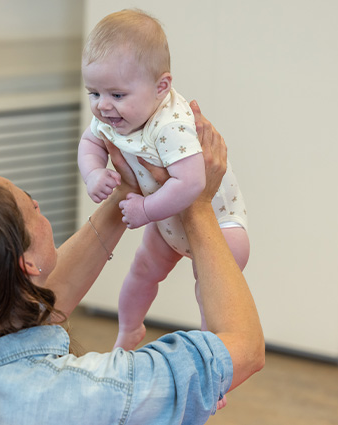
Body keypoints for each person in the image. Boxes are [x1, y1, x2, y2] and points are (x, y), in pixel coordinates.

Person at [0, 102, 264, 425]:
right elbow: (243, 348)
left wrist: (128, 191)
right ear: (27, 263)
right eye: (33, 206)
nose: (40, 210)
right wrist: (197, 203)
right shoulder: (92, 391)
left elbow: (42, 303)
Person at [78, 9, 250, 350]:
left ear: (161, 87)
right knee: (142, 271)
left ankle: (215, 358)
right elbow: (89, 142)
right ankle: (129, 330)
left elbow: (191, 184)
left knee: (209, 296)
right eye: (94, 93)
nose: (103, 107)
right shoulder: (113, 119)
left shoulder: (170, 125)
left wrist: (145, 209)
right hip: (169, 222)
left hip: (221, 227)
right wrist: (94, 173)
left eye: (117, 94)